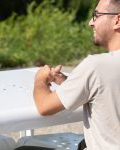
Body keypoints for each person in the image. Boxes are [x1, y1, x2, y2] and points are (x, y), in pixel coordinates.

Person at [33, 0, 120, 149]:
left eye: (96, 15)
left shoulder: (96, 66)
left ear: (117, 20)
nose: (90, 22)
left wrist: (40, 79)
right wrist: (71, 82)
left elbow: (44, 107)